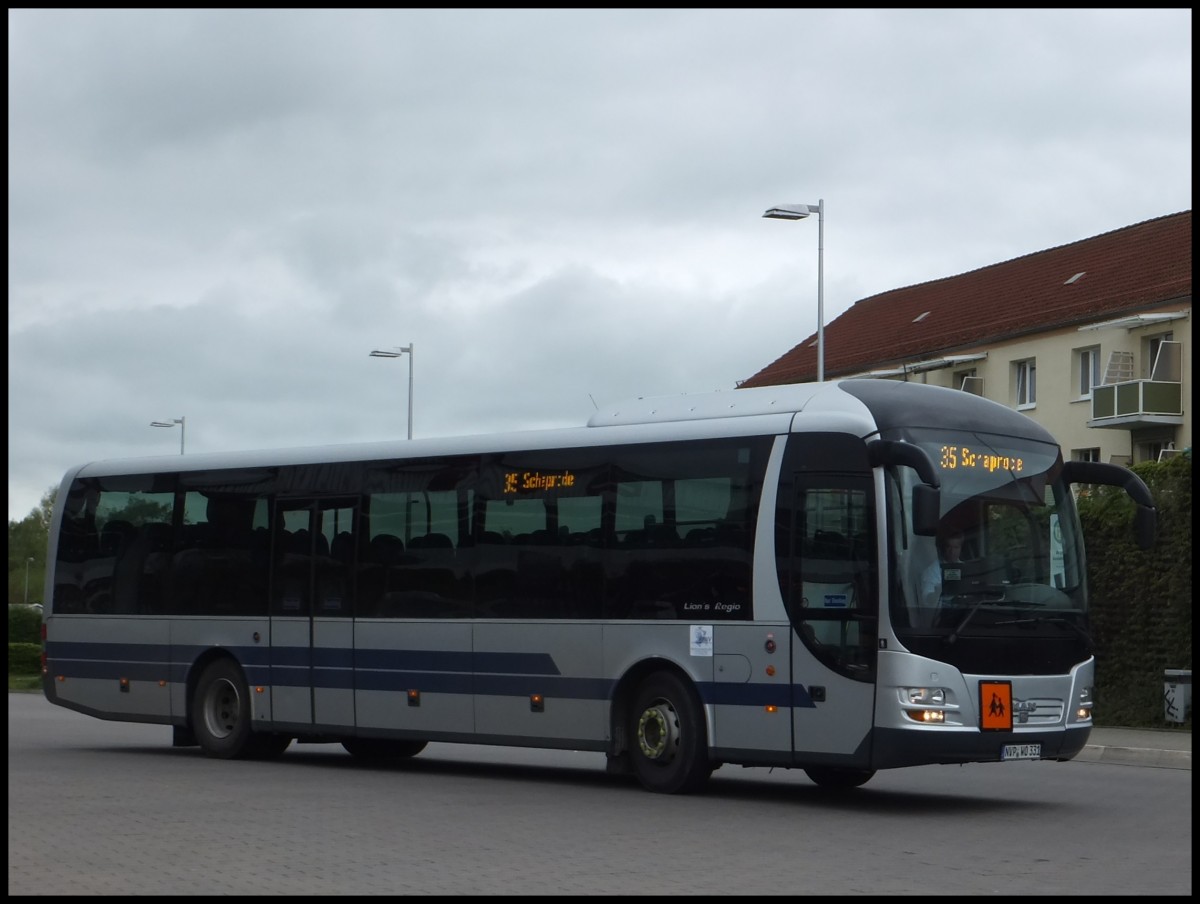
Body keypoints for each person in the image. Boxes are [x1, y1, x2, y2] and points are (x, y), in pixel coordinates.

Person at [920, 527, 964, 605]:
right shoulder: (931, 571)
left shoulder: (966, 569)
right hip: (941, 614)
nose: (952, 551)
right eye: (948, 547)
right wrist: (941, 589)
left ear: (961, 548)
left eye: (956, 547)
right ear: (943, 547)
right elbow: (926, 599)